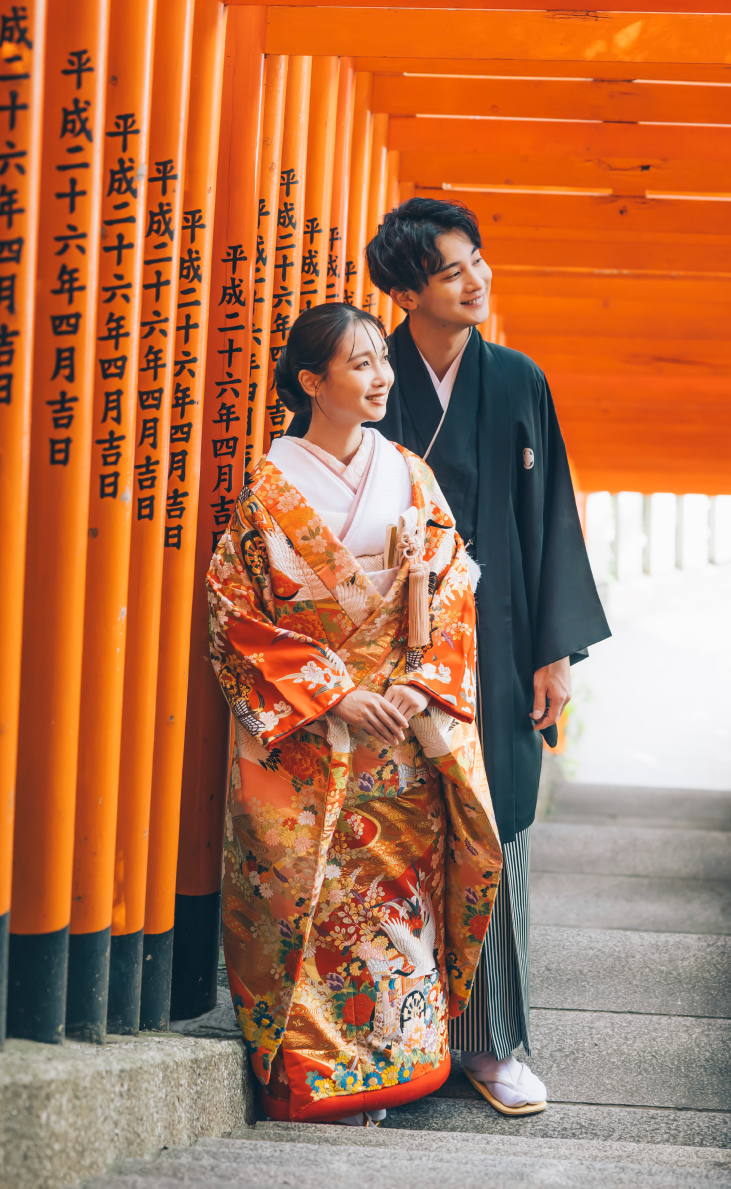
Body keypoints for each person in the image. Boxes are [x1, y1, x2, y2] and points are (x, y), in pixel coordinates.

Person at [288, 196, 610, 1116]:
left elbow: (549, 520)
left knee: (496, 829)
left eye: (479, 262)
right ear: (404, 290)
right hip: (385, 654)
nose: (476, 282)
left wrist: (555, 655)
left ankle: (493, 1043)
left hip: (497, 642)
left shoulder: (516, 382)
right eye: (452, 270)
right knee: (389, 838)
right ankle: (390, 1044)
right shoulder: (367, 375)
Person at [207, 301, 505, 1126]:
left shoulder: (409, 471)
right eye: (361, 364)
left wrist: (421, 684)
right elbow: (236, 614)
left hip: (404, 727)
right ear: (313, 382)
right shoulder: (269, 487)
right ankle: (307, 1075)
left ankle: (401, 1065)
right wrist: (338, 691)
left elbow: (452, 584)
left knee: (398, 897)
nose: (381, 377)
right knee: (306, 897)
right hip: (313, 738)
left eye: (383, 360)